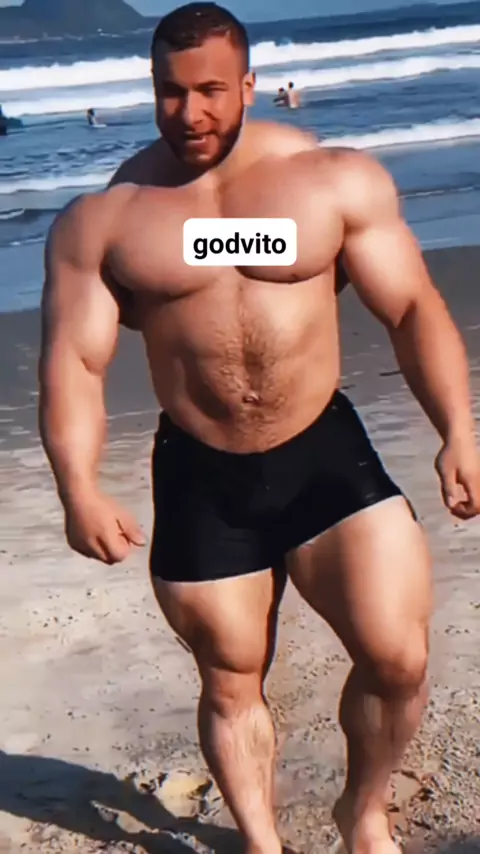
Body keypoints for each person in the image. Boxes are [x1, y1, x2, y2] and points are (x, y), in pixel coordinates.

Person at [38, 3, 480, 854]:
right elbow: (75, 364)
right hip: (203, 475)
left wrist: (457, 428)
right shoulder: (110, 219)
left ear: (248, 84)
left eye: (210, 90)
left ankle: (363, 811)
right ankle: (260, 841)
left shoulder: (327, 181)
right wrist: (77, 488)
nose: (189, 113)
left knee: (398, 658)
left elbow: (411, 308)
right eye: (170, 92)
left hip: (322, 453)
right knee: (231, 680)